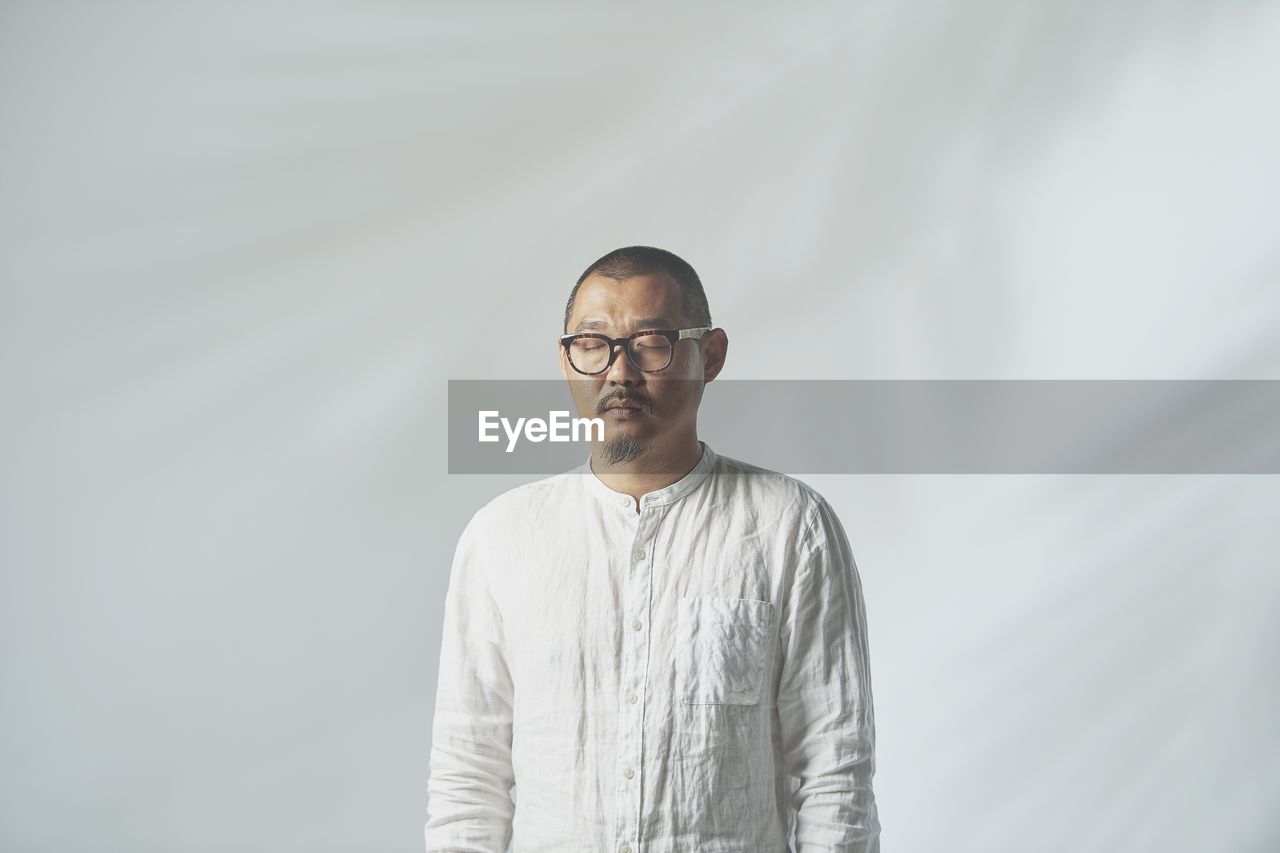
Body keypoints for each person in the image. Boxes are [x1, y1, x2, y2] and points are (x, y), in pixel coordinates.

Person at [424, 246, 881, 852]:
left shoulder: (789, 527)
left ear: (710, 355)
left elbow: (835, 775)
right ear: (567, 360)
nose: (619, 372)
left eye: (651, 343)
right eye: (593, 344)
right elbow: (469, 777)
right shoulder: (502, 535)